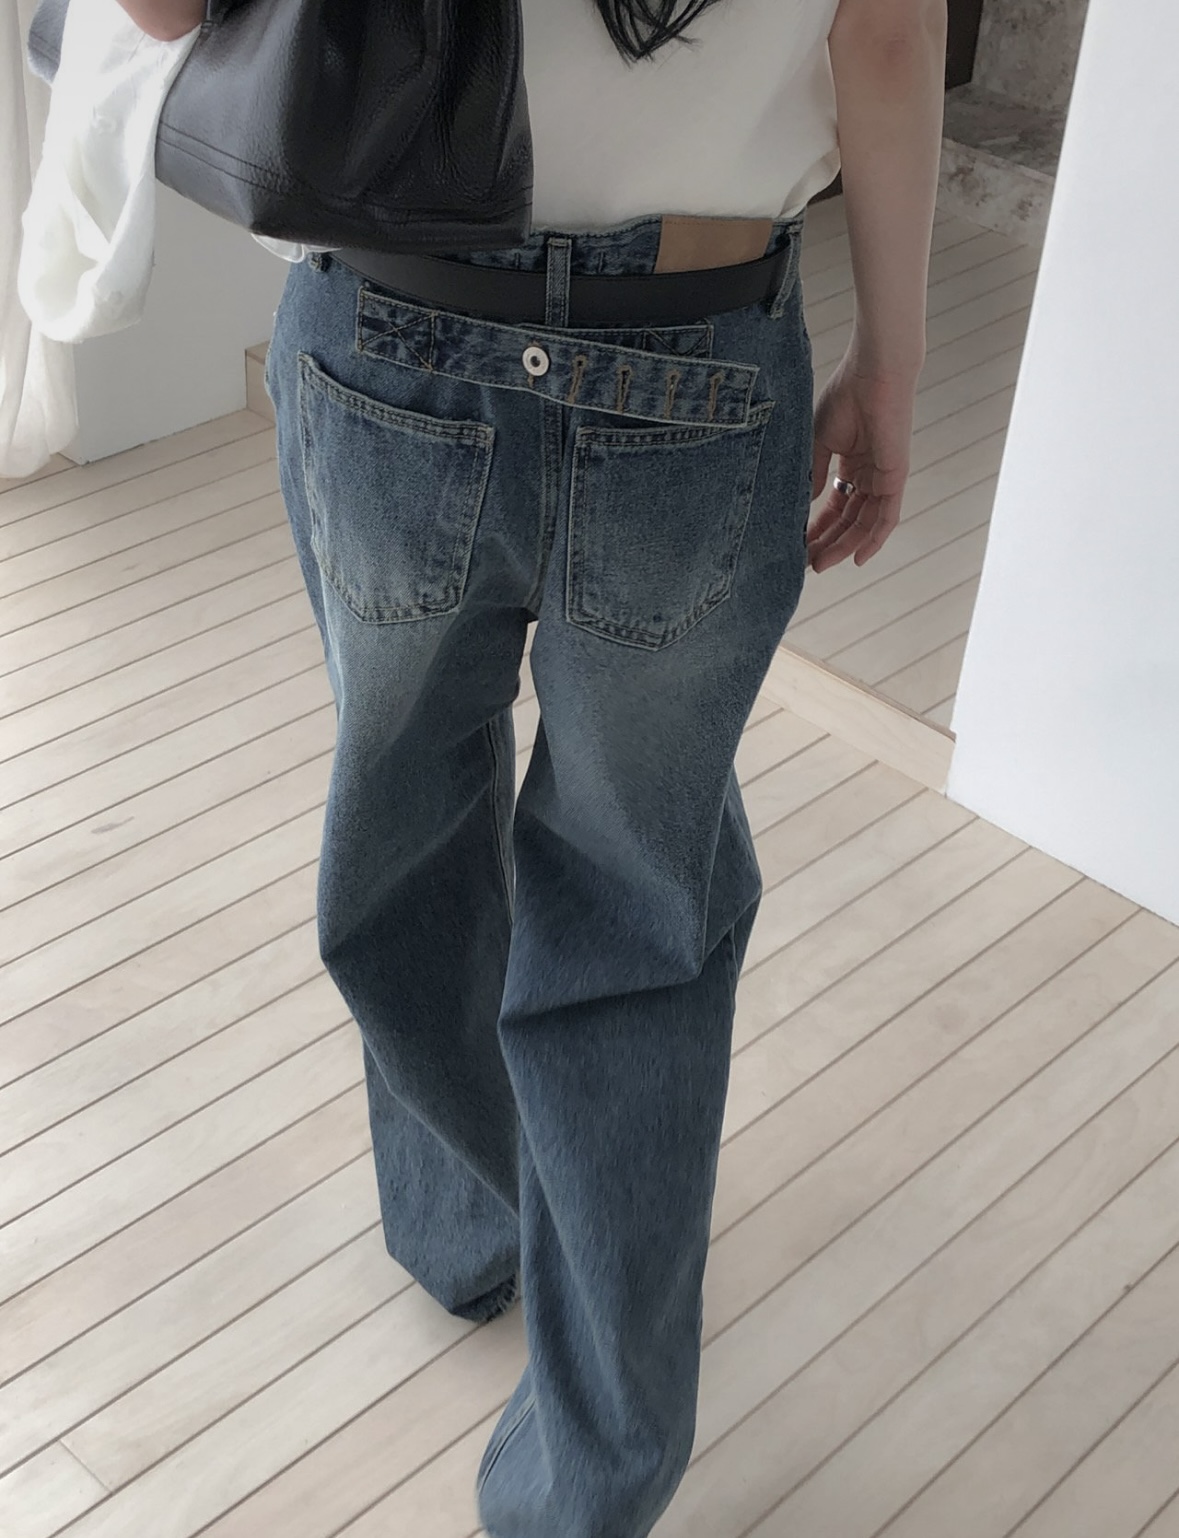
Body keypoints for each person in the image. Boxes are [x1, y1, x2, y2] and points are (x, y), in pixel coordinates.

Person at [117, 1, 947, 1534]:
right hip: (701, 346)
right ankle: (586, 1483)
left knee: (405, 834)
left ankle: (479, 1219)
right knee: (639, 914)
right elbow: (886, 38)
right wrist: (892, 363)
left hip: (389, 333)